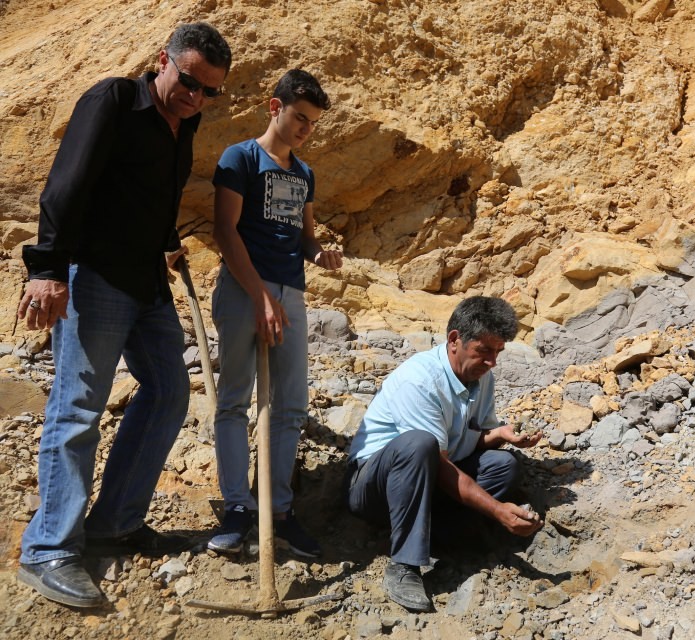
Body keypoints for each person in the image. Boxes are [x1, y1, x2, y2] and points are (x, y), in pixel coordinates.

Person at [16, 23, 233, 608]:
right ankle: (48, 549)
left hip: (146, 281)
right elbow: (68, 184)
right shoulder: (112, 99)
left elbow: (149, 194)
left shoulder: (184, 123)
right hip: (96, 276)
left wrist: (166, 237)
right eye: (190, 83)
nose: (196, 99)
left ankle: (115, 522)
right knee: (78, 408)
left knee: (167, 392)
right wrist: (47, 268)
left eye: (210, 92)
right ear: (164, 61)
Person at [206, 69, 342, 558]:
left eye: (312, 124)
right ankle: (239, 508)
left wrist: (319, 254)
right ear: (274, 106)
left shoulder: (303, 174)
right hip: (245, 290)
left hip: (290, 294)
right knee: (235, 400)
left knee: (290, 405)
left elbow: (304, 237)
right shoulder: (239, 158)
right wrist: (260, 296)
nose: (305, 129)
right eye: (299, 118)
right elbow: (226, 231)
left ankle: (278, 511)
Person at [346, 296, 544, 612]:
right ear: (454, 340)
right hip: (375, 490)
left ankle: (438, 532)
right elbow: (436, 462)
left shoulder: (481, 376)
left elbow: (469, 440)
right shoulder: (420, 380)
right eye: (484, 351)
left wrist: (501, 435)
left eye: (498, 352)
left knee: (504, 465)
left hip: (427, 481)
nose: (492, 361)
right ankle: (404, 564)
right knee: (419, 444)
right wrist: (496, 510)